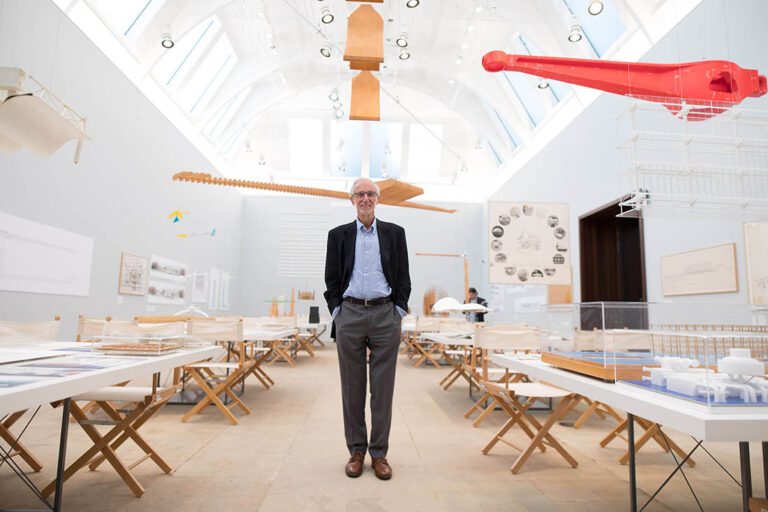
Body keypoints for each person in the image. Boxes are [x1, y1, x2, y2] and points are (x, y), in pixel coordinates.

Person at [324, 177, 411, 481]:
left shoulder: (394, 234)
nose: (365, 198)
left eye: (370, 194)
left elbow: (404, 277)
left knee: (383, 388)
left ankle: (380, 454)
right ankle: (356, 452)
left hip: (385, 314)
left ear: (378, 198)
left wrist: (398, 310)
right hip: (349, 313)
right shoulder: (338, 235)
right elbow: (331, 278)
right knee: (352, 387)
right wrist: (338, 311)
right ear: (352, 200)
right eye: (359, 194)